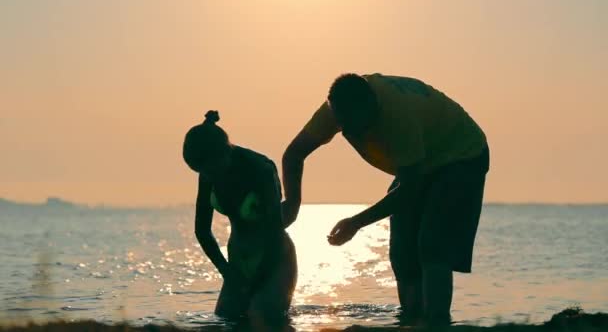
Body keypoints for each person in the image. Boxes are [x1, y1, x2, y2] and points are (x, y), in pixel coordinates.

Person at [281, 73, 489, 325]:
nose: (354, 133)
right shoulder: (332, 111)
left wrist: (357, 222)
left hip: (461, 156)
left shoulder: (398, 116)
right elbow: (293, 154)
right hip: (418, 164)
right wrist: (292, 204)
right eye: (345, 126)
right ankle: (411, 319)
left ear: (373, 107)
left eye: (360, 125)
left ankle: (437, 322)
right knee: (402, 248)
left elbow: (410, 188)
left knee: (432, 244)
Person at [183, 110, 297, 326]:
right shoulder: (207, 172)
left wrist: (256, 282)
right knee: (226, 320)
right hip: (238, 260)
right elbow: (202, 230)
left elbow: (274, 233)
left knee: (262, 317)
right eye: (202, 172)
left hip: (274, 258)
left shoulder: (260, 169)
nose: (209, 176)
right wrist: (227, 271)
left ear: (226, 153)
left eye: (212, 169)